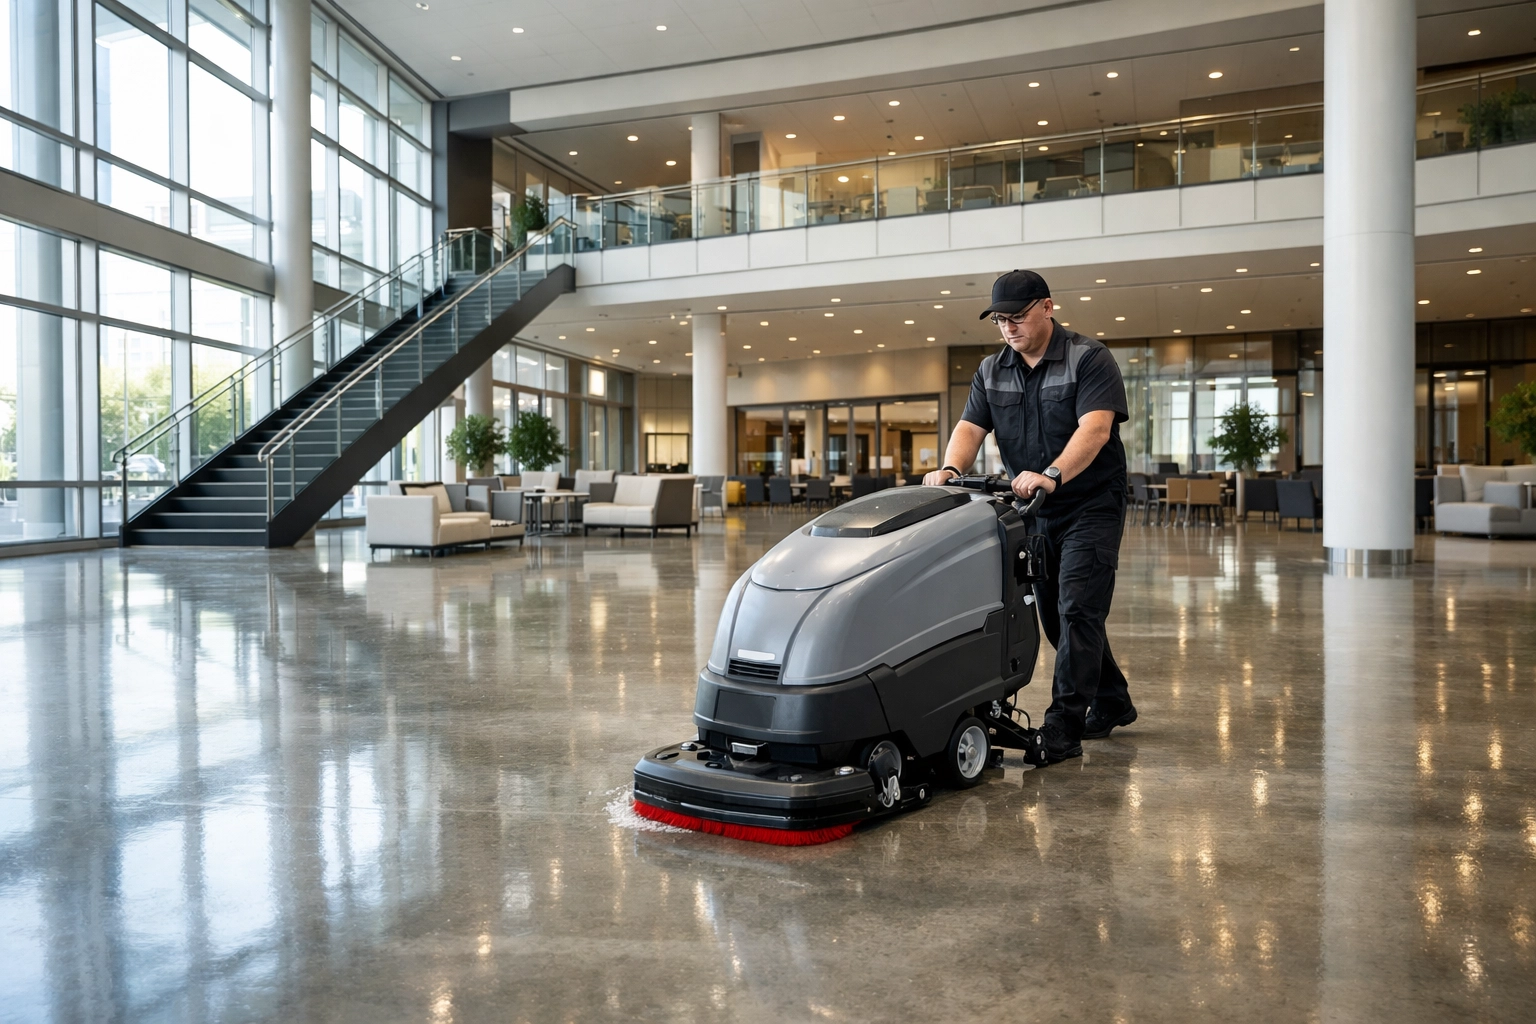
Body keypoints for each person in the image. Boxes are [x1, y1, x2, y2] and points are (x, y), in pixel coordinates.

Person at [923, 269, 1136, 764]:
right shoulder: (991, 370)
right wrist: (952, 467)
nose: (1009, 328)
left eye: (1017, 316)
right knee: (1056, 619)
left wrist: (1052, 474)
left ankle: (1064, 724)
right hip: (1034, 509)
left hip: (1090, 502)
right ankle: (1112, 700)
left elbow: (1096, 429)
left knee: (1079, 606)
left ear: (1047, 307)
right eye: (1000, 320)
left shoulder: (1089, 358)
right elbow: (970, 426)